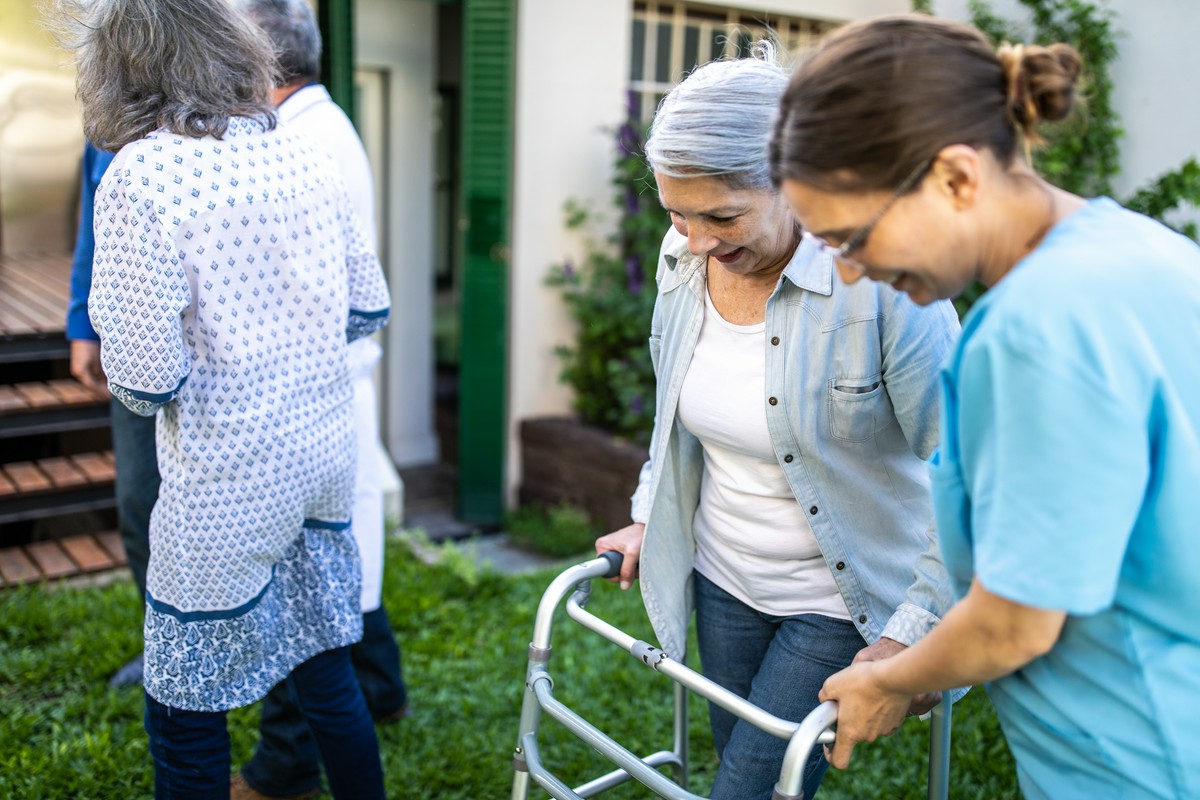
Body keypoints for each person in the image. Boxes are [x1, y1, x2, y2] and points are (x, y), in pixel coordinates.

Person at [771, 14, 1200, 799]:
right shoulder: (1149, 252)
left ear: (957, 178)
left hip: (1136, 755)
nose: (856, 273)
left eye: (853, 236)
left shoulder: (1034, 331)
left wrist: (891, 679)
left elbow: (1016, 619)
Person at [593, 44, 961, 800]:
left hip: (840, 593)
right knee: (750, 773)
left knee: (747, 791)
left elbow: (969, 471)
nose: (695, 244)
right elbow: (677, 417)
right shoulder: (687, 255)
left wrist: (912, 634)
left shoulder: (892, 284)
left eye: (721, 216)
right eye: (676, 214)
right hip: (722, 576)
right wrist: (646, 515)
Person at [52, 0, 390, 797]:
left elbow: (143, 383)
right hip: (321, 454)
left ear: (119, 68)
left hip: (224, 482)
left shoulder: (142, 174)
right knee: (326, 669)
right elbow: (365, 309)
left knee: (184, 716)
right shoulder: (305, 151)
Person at [229, 1, 407, 797]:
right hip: (336, 391)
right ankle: (383, 690)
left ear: (257, 62)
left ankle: (285, 760)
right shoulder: (320, 126)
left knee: (303, 588)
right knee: (347, 563)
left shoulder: (294, 141)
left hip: (310, 396)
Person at [67, 140, 159, 690]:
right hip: (132, 352)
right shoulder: (105, 127)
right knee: (137, 500)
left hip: (215, 359)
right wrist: (82, 325)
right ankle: (163, 647)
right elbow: (91, 230)